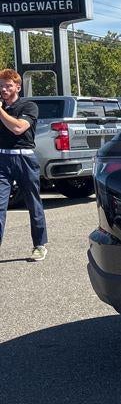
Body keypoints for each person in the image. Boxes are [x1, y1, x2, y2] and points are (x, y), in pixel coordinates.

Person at [0, 69, 47, 261]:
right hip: (2, 159)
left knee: (33, 202)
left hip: (24, 159)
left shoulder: (29, 106)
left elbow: (19, 128)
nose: (3, 89)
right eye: (1, 85)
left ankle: (39, 245)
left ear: (17, 87)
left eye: (8, 85)